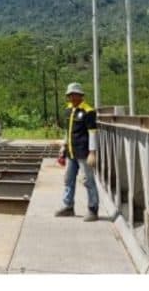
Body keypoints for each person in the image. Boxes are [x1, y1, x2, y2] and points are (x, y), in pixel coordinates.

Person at [55, 82, 99, 222]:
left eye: (75, 95)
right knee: (68, 179)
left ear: (81, 96)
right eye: (70, 95)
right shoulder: (68, 110)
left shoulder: (88, 111)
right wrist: (64, 147)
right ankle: (68, 206)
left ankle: (93, 209)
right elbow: (67, 131)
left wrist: (92, 152)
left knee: (88, 181)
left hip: (84, 152)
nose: (73, 98)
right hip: (71, 152)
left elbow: (92, 133)